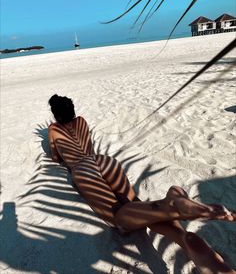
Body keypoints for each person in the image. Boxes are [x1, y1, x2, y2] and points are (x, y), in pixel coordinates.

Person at [48, 94, 235, 273]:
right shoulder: (81, 121)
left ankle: (172, 207)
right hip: (103, 160)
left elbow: (56, 157)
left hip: (83, 168)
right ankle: (183, 238)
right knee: (135, 205)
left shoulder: (54, 129)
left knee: (119, 218)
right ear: (72, 110)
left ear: (55, 115)